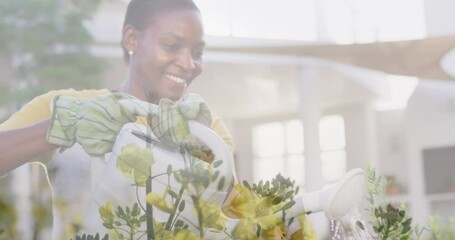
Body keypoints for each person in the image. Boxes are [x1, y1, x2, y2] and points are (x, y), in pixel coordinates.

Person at [0, 0, 233, 238]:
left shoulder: (207, 128)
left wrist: (200, 148)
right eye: (172, 45)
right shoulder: (65, 106)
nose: (188, 64)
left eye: (198, 53)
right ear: (132, 38)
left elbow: (234, 217)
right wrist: (63, 125)